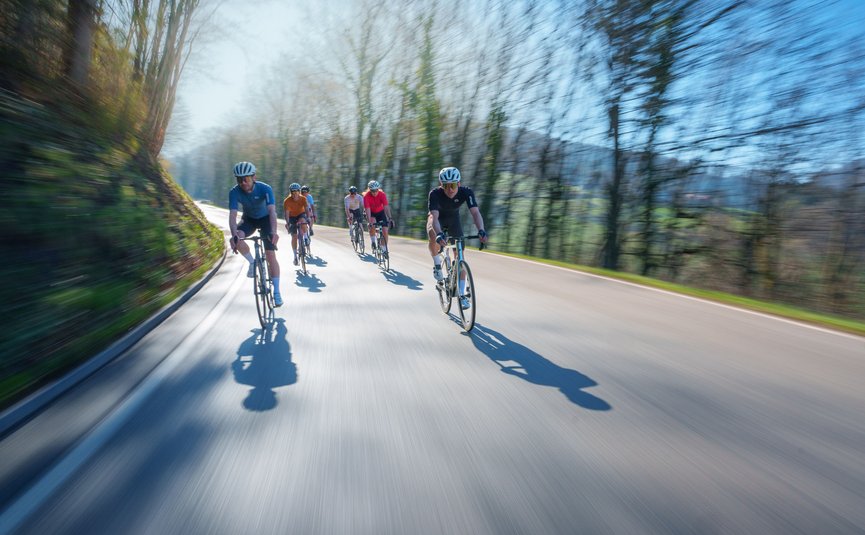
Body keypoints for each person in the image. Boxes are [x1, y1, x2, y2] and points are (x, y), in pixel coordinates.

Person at [427, 166, 488, 310]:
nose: (450, 189)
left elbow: (475, 213)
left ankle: (462, 294)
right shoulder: (434, 194)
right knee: (433, 234)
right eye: (445, 186)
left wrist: (481, 230)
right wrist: (439, 233)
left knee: (460, 258)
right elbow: (434, 217)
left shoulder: (466, 192)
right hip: (437, 219)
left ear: (458, 183)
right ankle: (437, 265)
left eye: (453, 185)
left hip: (454, 220)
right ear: (441, 185)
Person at [228, 161, 283, 307]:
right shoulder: (234, 192)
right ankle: (253, 263)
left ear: (254, 177)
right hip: (249, 220)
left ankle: (277, 292)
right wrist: (234, 235)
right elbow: (233, 215)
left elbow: (272, 212)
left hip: (265, 220)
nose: (243, 183)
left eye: (246, 179)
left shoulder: (265, 188)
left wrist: (274, 232)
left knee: (270, 255)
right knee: (236, 237)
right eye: (239, 180)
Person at [282, 182, 311, 266]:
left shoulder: (303, 198)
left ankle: (305, 237)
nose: (295, 194)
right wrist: (288, 223)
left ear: (299, 192)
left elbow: (306, 209)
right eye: (293, 192)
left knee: (303, 221)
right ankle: (295, 256)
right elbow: (286, 214)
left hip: (300, 214)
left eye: (296, 192)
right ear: (290, 192)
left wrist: (308, 217)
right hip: (291, 217)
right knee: (294, 236)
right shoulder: (287, 201)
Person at [364, 180, 393, 257]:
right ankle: (373, 241)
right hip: (371, 212)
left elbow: (386, 207)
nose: (374, 192)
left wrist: (390, 218)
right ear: (369, 190)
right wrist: (369, 222)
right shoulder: (366, 196)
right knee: (372, 224)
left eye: (376, 190)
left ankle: (384, 249)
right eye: (372, 191)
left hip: (380, 212)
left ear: (378, 189)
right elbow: (367, 210)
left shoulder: (382, 194)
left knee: (385, 231)